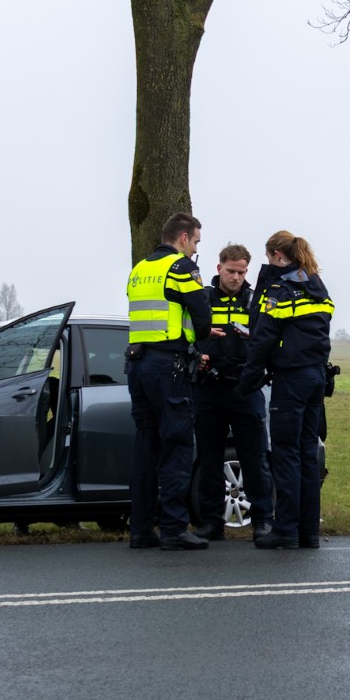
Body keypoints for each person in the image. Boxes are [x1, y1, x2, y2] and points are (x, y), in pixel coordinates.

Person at [125, 211, 218, 551]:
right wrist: (202, 340)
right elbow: (201, 312)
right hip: (170, 368)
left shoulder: (140, 269)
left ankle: (141, 529)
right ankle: (175, 528)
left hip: (138, 365)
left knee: (145, 449)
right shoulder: (180, 268)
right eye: (195, 242)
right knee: (177, 447)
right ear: (183, 238)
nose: (195, 250)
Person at [235, 231, 333, 550]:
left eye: (267, 259)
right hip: (316, 377)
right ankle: (308, 533)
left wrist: (246, 382)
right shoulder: (317, 286)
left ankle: (286, 529)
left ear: (277, 255)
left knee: (286, 454)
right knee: (306, 455)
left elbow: (263, 339)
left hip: (290, 380)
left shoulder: (281, 289)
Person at [192, 244, 275, 542]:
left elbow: (268, 341)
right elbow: (186, 334)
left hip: (246, 388)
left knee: (255, 459)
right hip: (208, 388)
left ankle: (263, 521)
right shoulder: (201, 299)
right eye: (231, 271)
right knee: (210, 460)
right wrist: (195, 356)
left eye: (241, 272)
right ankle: (212, 523)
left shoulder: (256, 301)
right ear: (219, 268)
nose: (236, 278)